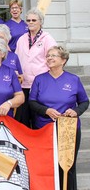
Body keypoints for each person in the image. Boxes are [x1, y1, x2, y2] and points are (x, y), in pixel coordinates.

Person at [29, 46, 89, 190]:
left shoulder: (73, 79)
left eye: (53, 55)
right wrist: (46, 110)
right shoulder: (39, 79)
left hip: (68, 128)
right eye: (48, 55)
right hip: (44, 128)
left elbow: (84, 102)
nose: (49, 58)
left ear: (63, 60)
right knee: (46, 163)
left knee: (68, 165)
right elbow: (31, 102)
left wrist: (76, 111)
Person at [15, 7, 57, 128]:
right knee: (23, 119)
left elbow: (53, 58)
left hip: (41, 85)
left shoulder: (47, 38)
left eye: (34, 20)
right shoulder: (22, 39)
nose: (31, 23)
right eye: (28, 20)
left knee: (38, 118)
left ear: (40, 22)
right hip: (23, 85)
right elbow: (16, 59)